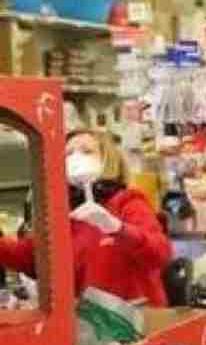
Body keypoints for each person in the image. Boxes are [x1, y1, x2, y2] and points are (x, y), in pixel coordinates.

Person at [0, 129, 172, 306]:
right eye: (68, 154)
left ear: (107, 159)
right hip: (86, 323)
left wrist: (117, 228)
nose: (76, 158)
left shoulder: (127, 201)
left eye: (87, 151)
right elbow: (33, 257)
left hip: (134, 320)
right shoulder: (62, 212)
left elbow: (159, 253)